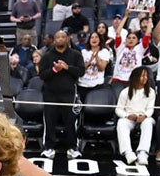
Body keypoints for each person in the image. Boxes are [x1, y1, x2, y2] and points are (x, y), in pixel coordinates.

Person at [38, 29, 84, 160]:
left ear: (67, 39)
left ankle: (72, 147)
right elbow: (42, 75)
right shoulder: (47, 55)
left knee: (70, 121)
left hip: (69, 93)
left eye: (63, 37)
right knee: (50, 120)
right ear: (54, 40)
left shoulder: (75, 55)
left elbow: (81, 72)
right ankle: (49, 147)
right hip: (50, 93)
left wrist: (67, 68)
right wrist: (55, 69)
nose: (60, 39)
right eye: (57, 37)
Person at [115, 65, 156, 166]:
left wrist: (145, 115)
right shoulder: (125, 92)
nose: (145, 78)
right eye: (142, 76)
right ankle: (128, 152)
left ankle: (143, 153)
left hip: (145, 118)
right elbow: (118, 109)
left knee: (148, 123)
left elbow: (151, 109)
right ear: (135, 77)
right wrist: (127, 116)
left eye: (146, 76)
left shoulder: (151, 92)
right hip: (130, 118)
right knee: (121, 122)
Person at [78, 31, 112, 99]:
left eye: (96, 37)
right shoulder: (84, 52)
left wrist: (96, 57)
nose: (94, 39)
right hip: (82, 85)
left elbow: (102, 68)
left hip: (97, 86)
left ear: (99, 40)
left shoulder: (104, 51)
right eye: (92, 37)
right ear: (89, 40)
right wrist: (90, 60)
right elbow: (81, 68)